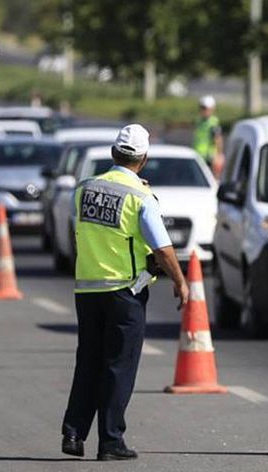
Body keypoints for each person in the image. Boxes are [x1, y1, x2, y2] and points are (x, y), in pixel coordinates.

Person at [61, 124, 190, 461]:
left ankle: (73, 434)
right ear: (143, 159)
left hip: (87, 289)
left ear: (113, 154)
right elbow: (162, 249)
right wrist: (180, 281)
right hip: (124, 291)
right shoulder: (140, 197)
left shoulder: (84, 189)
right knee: (119, 366)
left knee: (88, 361)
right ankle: (110, 441)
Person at [192, 95, 224, 177]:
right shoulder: (199, 121)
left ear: (212, 109)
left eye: (206, 108)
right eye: (202, 108)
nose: (204, 111)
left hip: (209, 158)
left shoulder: (213, 123)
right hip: (197, 155)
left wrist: (218, 155)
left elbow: (218, 140)